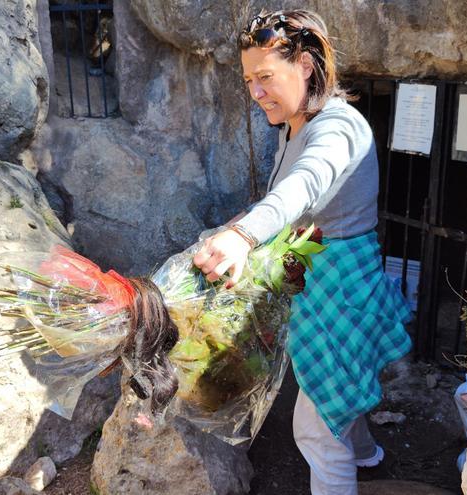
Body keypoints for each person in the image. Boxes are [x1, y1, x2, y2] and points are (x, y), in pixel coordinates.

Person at [192, 9, 412, 495]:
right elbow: (289, 201)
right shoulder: (293, 124)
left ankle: (345, 465)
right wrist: (240, 227)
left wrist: (245, 237)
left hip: (341, 281)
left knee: (313, 428)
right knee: (337, 389)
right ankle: (365, 454)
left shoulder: (337, 127)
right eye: (250, 79)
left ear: (306, 67)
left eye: (266, 77)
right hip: (314, 265)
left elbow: (305, 186)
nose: (256, 92)